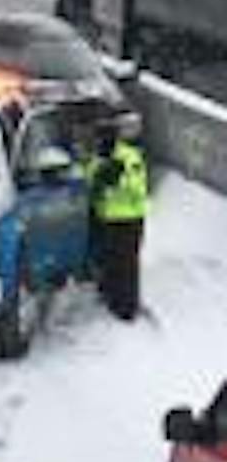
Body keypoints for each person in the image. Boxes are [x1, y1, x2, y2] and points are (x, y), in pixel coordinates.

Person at [87, 111, 149, 321]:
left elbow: (139, 189)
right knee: (110, 262)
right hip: (107, 219)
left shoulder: (129, 157)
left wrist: (117, 180)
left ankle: (127, 306)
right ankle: (112, 298)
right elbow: (91, 183)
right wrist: (97, 179)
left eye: (105, 138)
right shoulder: (99, 159)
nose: (101, 143)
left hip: (129, 219)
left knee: (127, 264)